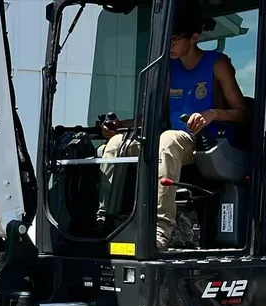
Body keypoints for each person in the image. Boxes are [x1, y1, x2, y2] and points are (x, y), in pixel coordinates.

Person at [97, 0, 247, 249]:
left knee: (167, 139)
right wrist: (120, 125)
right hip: (173, 138)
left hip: (206, 141)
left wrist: (212, 114)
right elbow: (155, 115)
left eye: (175, 40)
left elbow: (242, 113)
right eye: (168, 39)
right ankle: (105, 218)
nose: (170, 46)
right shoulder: (168, 68)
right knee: (115, 145)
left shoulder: (217, 64)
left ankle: (160, 230)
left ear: (194, 38)